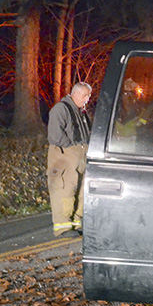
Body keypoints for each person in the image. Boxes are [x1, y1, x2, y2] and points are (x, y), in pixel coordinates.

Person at [46, 81, 91, 237]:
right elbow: (55, 135)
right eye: (85, 95)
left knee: (80, 191)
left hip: (81, 157)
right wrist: (71, 148)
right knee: (64, 190)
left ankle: (75, 223)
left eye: (89, 96)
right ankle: (63, 227)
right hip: (64, 157)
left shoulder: (82, 112)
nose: (88, 99)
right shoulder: (60, 109)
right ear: (76, 93)